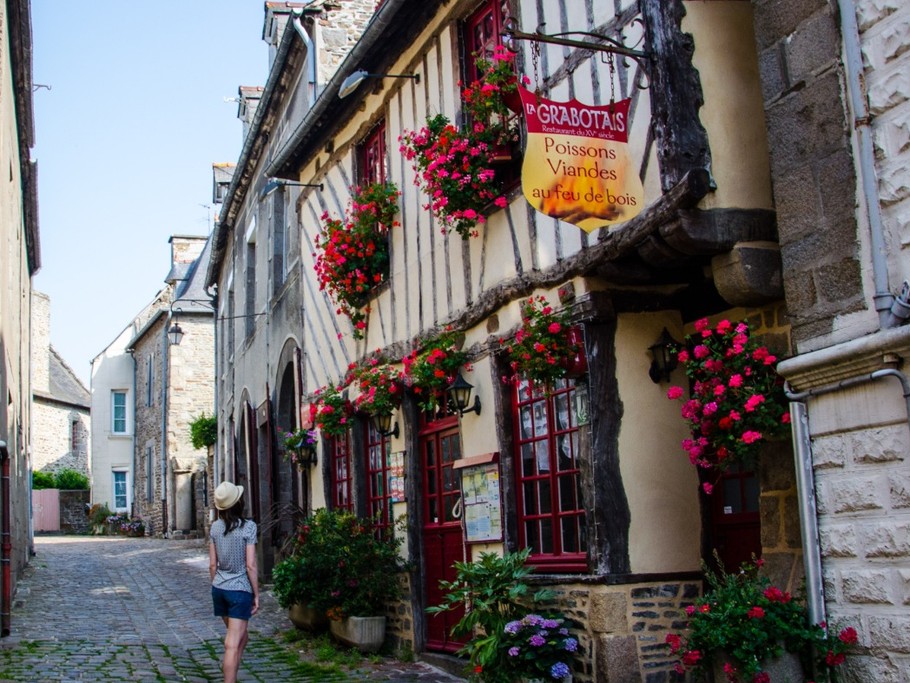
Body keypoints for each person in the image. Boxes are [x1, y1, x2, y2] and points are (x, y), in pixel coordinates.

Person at [209, 481, 259, 683]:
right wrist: (256, 594)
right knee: (232, 642)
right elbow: (251, 565)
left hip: (219, 589)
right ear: (239, 503)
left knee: (241, 636)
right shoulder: (248, 527)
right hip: (239, 591)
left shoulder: (215, 528)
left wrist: (218, 584)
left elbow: (212, 565)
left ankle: (232, 676)